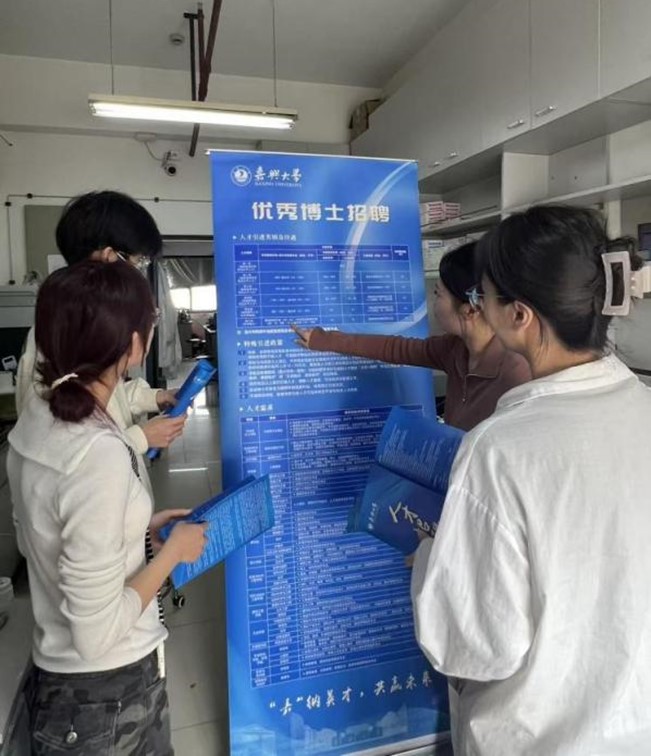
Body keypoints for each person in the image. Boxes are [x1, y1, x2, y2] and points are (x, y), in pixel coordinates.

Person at [411, 205, 651, 755]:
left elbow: (471, 647)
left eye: (486, 295)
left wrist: (431, 555)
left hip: (539, 738)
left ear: (518, 315)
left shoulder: (498, 450)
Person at [8, 261, 208, 755]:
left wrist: (140, 531)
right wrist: (171, 554)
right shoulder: (97, 452)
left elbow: (46, 538)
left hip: (59, 678)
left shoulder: (34, 423)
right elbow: (96, 634)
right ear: (134, 345)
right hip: (107, 695)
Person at [292, 242, 531, 431]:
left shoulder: (516, 374)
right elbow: (395, 348)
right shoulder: (455, 349)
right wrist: (324, 340)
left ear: (469, 310)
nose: (433, 302)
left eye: (438, 294)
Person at [16, 190, 185, 455]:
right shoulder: (61, 329)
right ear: (109, 256)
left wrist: (155, 397)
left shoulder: (95, 318)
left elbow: (108, 392)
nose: (140, 272)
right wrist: (138, 438)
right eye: (139, 261)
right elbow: (55, 447)